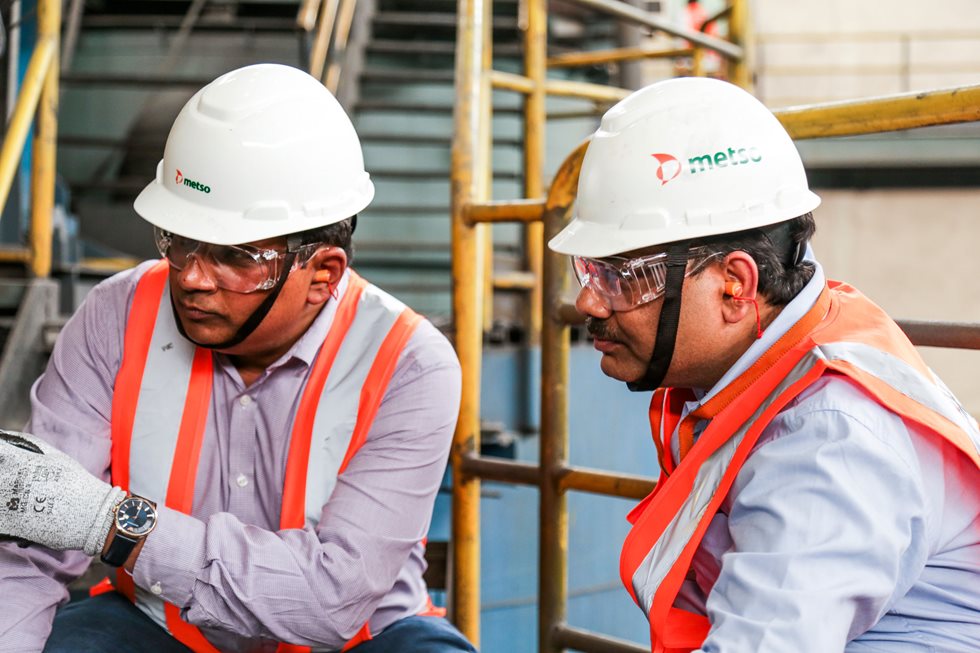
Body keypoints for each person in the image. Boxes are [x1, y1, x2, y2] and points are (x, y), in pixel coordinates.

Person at [0, 63, 474, 653]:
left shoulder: (409, 363)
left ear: (323, 273)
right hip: (159, 625)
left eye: (234, 255)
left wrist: (115, 524)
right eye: (178, 239)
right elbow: (28, 549)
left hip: (358, 641)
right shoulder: (117, 316)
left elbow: (333, 600)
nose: (193, 277)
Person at [549, 77, 980, 652]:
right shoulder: (779, 355)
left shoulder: (828, 445)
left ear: (736, 285)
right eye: (591, 269)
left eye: (627, 277)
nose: (589, 302)